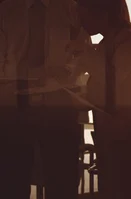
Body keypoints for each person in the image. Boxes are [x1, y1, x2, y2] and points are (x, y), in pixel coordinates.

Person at [0, 0, 90, 198]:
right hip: (14, 103)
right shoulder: (6, 9)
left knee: (62, 180)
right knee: (12, 179)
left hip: (59, 103)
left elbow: (84, 52)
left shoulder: (69, 9)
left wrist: (62, 75)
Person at [76, 0, 131, 198]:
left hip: (125, 125)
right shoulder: (108, 42)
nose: (81, 22)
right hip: (111, 123)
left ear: (102, 13)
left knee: (125, 184)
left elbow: (113, 79)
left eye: (84, 15)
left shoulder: (127, 40)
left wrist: (84, 54)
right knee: (113, 183)